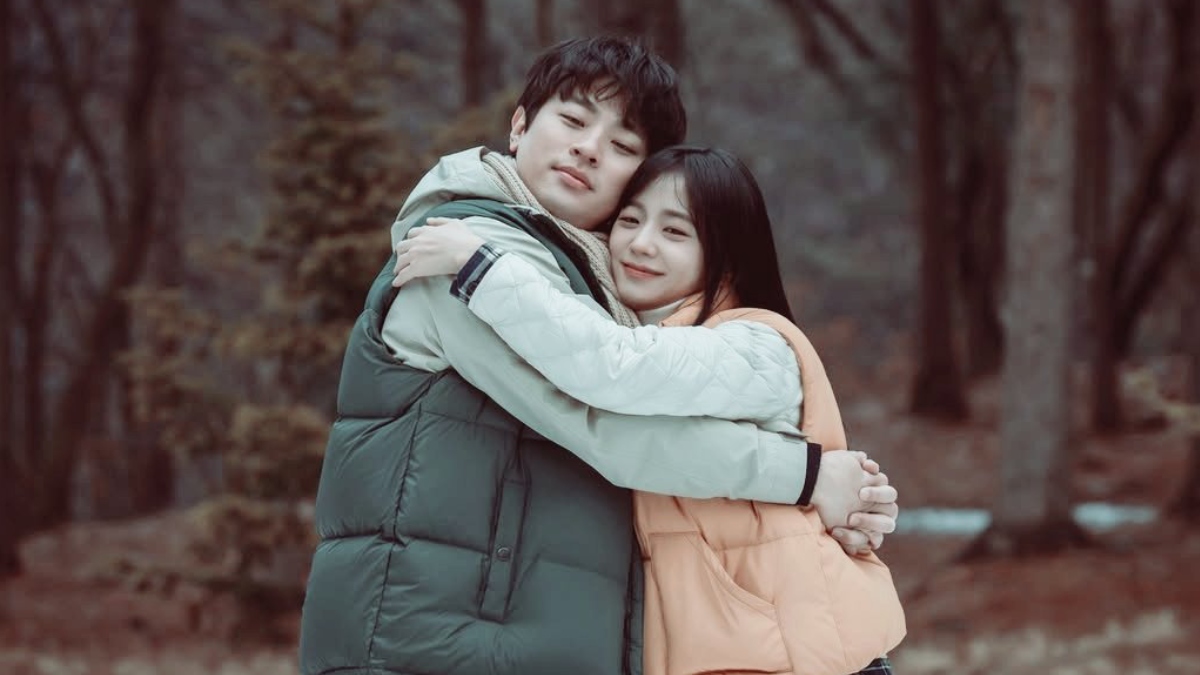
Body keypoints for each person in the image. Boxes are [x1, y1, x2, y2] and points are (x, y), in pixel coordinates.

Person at [299, 37, 898, 675]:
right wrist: (809, 478)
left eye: (622, 146)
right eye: (573, 120)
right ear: (519, 126)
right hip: (427, 636)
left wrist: (841, 500)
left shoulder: (596, 286)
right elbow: (607, 427)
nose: (589, 148)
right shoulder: (464, 252)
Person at [394, 146, 907, 675]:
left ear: (727, 254)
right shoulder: (650, 340)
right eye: (630, 220)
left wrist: (483, 267)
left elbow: (614, 366)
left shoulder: (756, 345)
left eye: (675, 232)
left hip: (808, 656)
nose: (641, 243)